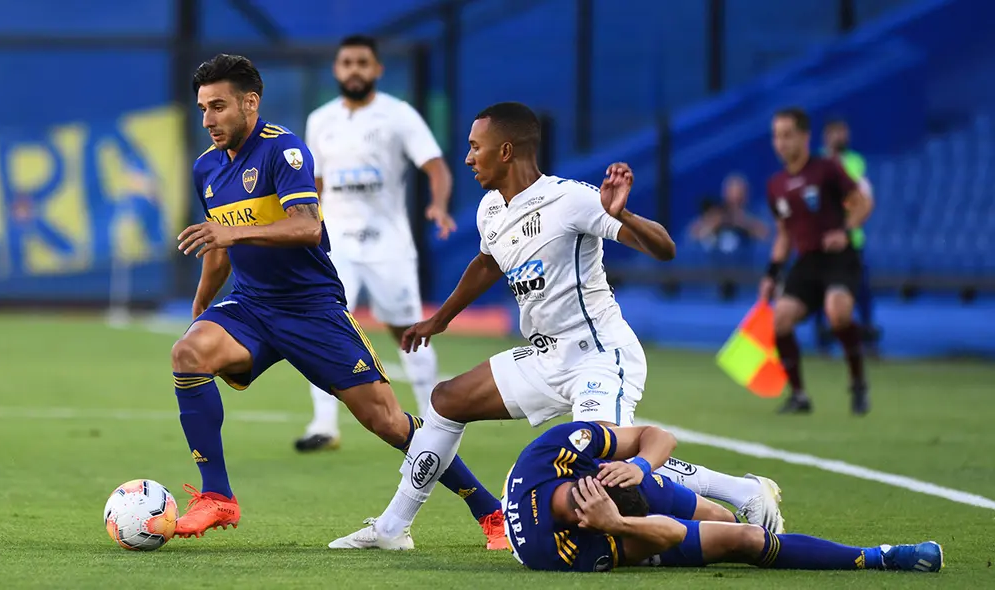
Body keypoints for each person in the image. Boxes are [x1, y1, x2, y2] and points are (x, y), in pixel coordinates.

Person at [329, 102, 784, 550]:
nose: (467, 158)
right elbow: (487, 264)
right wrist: (439, 319)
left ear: (505, 151)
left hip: (600, 355)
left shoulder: (573, 200)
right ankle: (392, 528)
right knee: (447, 400)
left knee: (605, 463)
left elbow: (665, 249)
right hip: (546, 355)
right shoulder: (490, 209)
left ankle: (739, 494)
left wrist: (622, 213)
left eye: (475, 147)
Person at [169, 54, 506, 548]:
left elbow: (307, 227)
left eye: (218, 107)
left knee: (388, 423)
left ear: (250, 102)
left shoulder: (284, 152)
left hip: (311, 310)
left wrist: (232, 234)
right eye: (202, 109)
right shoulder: (206, 169)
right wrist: (201, 307)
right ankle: (217, 496)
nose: (208, 120)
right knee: (187, 354)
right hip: (253, 307)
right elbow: (220, 248)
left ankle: (488, 509)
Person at [502, 420, 943, 573]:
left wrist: (637, 466)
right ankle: (880, 556)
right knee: (745, 539)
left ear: (602, 473)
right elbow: (670, 535)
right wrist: (617, 525)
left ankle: (738, 492)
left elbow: (659, 436)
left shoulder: (558, 450)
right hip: (623, 534)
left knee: (722, 518)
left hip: (625, 498)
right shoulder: (561, 551)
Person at [297, 35, 457, 453]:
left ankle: (436, 421)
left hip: (388, 243)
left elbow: (436, 166)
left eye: (362, 62)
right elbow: (312, 184)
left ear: (377, 69)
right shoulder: (320, 120)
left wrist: (438, 206)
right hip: (336, 245)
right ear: (336, 69)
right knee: (322, 324)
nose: (354, 69)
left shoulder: (398, 115)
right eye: (346, 62)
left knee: (407, 329)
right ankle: (324, 425)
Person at [760, 107, 874, 415]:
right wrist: (772, 274)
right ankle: (799, 396)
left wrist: (845, 230)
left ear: (804, 137)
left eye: (787, 135)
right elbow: (783, 234)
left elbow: (862, 203)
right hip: (807, 261)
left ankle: (858, 382)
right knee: (780, 318)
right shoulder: (776, 185)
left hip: (839, 257)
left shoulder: (827, 169)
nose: (780, 143)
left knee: (837, 313)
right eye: (776, 136)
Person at [815, 119, 879, 355]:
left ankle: (867, 338)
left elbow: (863, 197)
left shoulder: (855, 161)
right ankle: (824, 340)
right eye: (837, 133)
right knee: (823, 290)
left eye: (844, 132)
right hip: (823, 240)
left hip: (852, 238)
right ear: (827, 136)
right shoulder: (816, 163)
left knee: (861, 290)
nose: (841, 137)